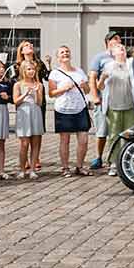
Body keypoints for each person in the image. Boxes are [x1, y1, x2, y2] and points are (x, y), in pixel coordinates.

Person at [47, 45, 95, 176]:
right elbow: (51, 93)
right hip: (63, 109)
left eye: (67, 51)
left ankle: (79, 166)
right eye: (62, 52)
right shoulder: (55, 73)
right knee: (65, 140)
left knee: (84, 139)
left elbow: (87, 90)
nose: (65, 54)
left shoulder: (79, 71)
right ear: (58, 57)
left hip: (80, 108)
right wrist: (64, 88)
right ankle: (65, 167)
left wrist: (84, 85)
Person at [88, 34, 127, 172]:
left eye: (119, 40)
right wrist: (94, 96)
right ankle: (98, 157)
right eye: (115, 39)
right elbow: (92, 77)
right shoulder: (100, 58)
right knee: (102, 130)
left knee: (117, 132)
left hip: (120, 101)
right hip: (104, 100)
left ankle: (117, 159)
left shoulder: (123, 57)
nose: (118, 42)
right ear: (107, 42)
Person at [12, 58, 46, 178]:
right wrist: (25, 94)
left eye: (33, 69)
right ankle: (22, 169)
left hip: (35, 112)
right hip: (23, 113)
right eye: (29, 69)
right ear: (23, 71)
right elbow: (15, 101)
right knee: (24, 143)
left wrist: (36, 92)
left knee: (35, 142)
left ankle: (32, 169)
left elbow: (39, 102)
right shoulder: (18, 85)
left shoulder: (39, 85)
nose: (31, 71)